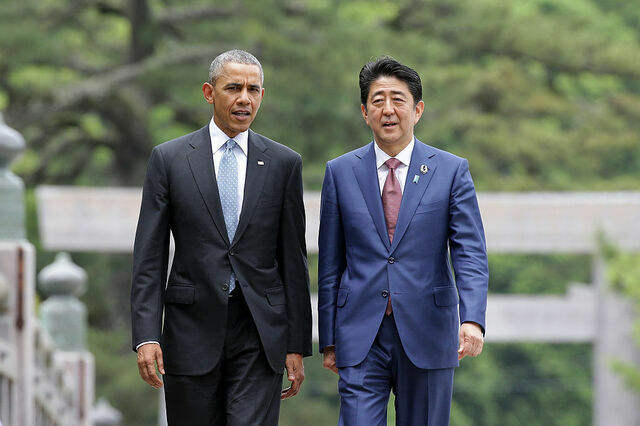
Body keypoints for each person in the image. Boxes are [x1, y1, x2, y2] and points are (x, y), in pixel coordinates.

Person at [131, 49, 312, 426]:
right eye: (233, 88)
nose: (245, 98)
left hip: (260, 333)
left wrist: (297, 343)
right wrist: (146, 335)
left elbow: (294, 259)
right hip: (190, 330)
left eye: (254, 89)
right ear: (209, 93)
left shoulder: (283, 163)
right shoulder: (170, 159)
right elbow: (149, 256)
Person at [318, 57, 489, 425]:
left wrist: (472, 318)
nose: (388, 110)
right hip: (361, 333)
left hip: (429, 329)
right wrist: (328, 337)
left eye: (398, 99)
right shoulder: (340, 172)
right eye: (378, 100)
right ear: (365, 112)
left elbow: (469, 252)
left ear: (418, 109)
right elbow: (330, 262)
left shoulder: (451, 170)